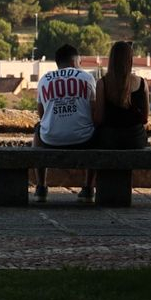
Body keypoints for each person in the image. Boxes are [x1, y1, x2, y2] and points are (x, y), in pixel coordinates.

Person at [34, 43, 97, 204]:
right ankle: (89, 188)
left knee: (38, 129)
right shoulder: (87, 77)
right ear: (74, 61)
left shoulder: (44, 80)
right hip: (84, 141)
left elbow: (42, 115)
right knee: (97, 130)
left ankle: (41, 187)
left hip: (50, 141)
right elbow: (94, 112)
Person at [93, 40, 150, 150]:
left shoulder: (102, 84)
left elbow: (99, 119)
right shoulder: (142, 84)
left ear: (112, 59)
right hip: (136, 140)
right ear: (130, 60)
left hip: (110, 140)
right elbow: (145, 119)